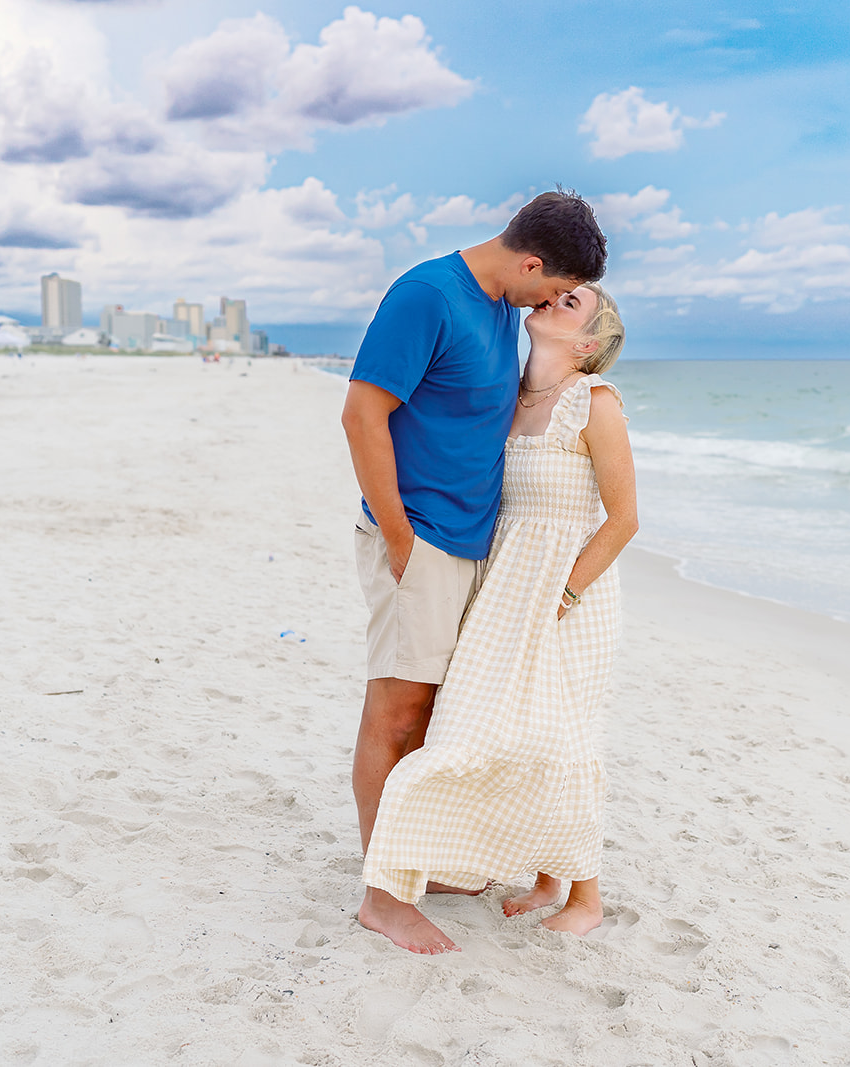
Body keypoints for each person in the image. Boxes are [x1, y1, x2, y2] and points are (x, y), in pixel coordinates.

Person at [342, 192, 609, 950]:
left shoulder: (500, 307)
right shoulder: (427, 295)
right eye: (552, 288)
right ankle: (383, 894)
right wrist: (400, 537)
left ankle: (418, 859)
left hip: (474, 545)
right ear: (530, 261)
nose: (551, 303)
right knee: (394, 713)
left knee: (437, 716)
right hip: (420, 537)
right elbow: (362, 414)